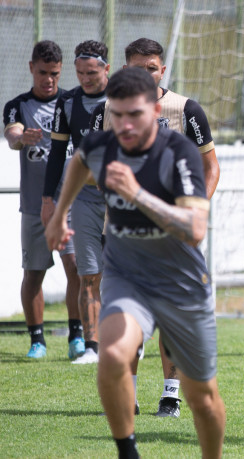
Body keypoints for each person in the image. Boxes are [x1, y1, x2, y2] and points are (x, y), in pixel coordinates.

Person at [45, 67, 225, 459]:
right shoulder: (102, 145)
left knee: (202, 396)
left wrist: (137, 194)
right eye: (117, 114)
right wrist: (59, 216)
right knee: (111, 355)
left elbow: (195, 228)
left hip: (181, 282)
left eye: (135, 115)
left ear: (156, 108)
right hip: (129, 278)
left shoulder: (178, 154)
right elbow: (79, 160)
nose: (125, 125)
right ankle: (128, 452)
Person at [91, 37, 221, 419]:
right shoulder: (110, 110)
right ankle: (127, 393)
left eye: (151, 67)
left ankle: (171, 395)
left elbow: (211, 166)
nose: (144, 74)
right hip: (122, 233)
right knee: (122, 316)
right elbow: (93, 160)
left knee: (171, 317)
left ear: (162, 70)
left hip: (173, 236)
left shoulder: (186, 109)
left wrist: (195, 209)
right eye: (136, 67)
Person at [3, 40, 81, 359]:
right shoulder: (18, 105)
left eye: (55, 73)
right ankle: (37, 340)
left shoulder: (74, 102)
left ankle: (77, 335)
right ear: (31, 68)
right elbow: (12, 136)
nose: (48, 79)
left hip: (71, 205)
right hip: (34, 207)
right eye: (43, 72)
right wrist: (22, 138)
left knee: (76, 268)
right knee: (34, 273)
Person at [41, 40, 110, 366]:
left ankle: (126, 338)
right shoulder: (67, 103)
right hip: (83, 196)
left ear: (106, 69)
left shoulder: (121, 99)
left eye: (92, 72)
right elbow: (57, 154)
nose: (85, 78)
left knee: (121, 273)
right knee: (88, 273)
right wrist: (49, 201)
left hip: (120, 199)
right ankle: (92, 346)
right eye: (80, 72)